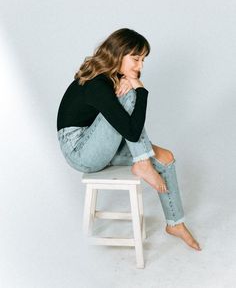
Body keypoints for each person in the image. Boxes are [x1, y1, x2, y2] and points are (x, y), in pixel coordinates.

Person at [57, 28, 201, 251]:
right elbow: (132, 132)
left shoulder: (113, 79)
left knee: (166, 158)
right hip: (79, 151)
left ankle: (175, 223)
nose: (140, 66)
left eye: (143, 60)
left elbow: (126, 129)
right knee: (130, 96)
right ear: (117, 53)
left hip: (98, 143)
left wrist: (128, 81)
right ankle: (142, 163)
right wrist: (140, 90)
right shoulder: (97, 83)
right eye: (135, 58)